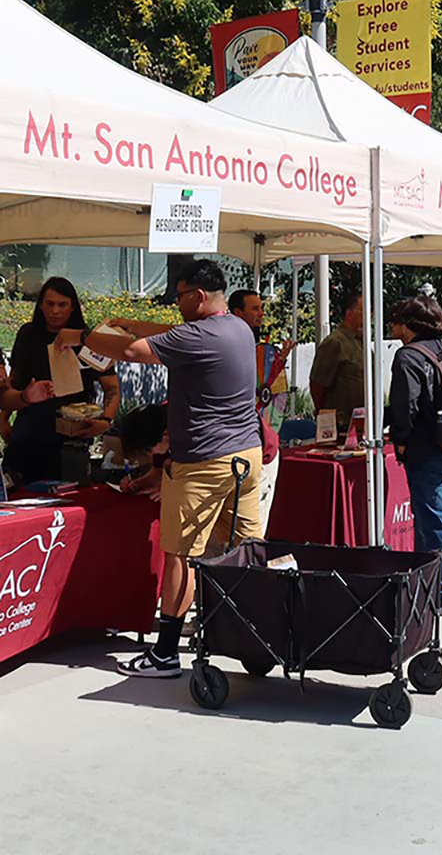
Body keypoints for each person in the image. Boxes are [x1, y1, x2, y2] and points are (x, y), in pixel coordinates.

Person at [74, 260, 263, 678]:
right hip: (245, 459)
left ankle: (164, 654)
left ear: (197, 296)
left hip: (203, 462)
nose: (174, 304)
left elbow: (127, 352)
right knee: (245, 550)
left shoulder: (199, 336)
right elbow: (167, 336)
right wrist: (130, 320)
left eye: (178, 296)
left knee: (180, 556)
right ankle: (259, 634)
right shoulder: (237, 329)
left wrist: (90, 334)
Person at [390, 296, 442, 615]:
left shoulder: (408, 356)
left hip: (425, 450)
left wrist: (401, 441)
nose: (392, 325)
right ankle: (438, 586)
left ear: (409, 325)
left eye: (396, 320)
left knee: (432, 524)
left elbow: (404, 405)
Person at [0, 277, 119, 485]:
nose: (55, 311)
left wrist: (105, 421)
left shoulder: (88, 340)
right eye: (50, 304)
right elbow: (15, 380)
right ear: (41, 306)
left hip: (72, 437)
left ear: (72, 307)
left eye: (62, 304)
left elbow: (112, 388)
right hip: (29, 432)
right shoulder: (28, 334)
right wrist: (3, 419)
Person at [229, 289, 292, 533]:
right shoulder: (231, 346)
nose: (261, 313)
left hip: (262, 441)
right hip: (240, 442)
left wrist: (278, 362)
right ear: (237, 312)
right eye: (254, 309)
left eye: (261, 308)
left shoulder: (257, 344)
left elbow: (270, 392)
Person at [309, 290, 364, 430]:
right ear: (349, 313)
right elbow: (317, 383)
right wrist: (325, 416)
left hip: (363, 422)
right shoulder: (335, 343)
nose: (369, 315)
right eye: (363, 310)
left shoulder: (361, 342)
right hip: (342, 424)